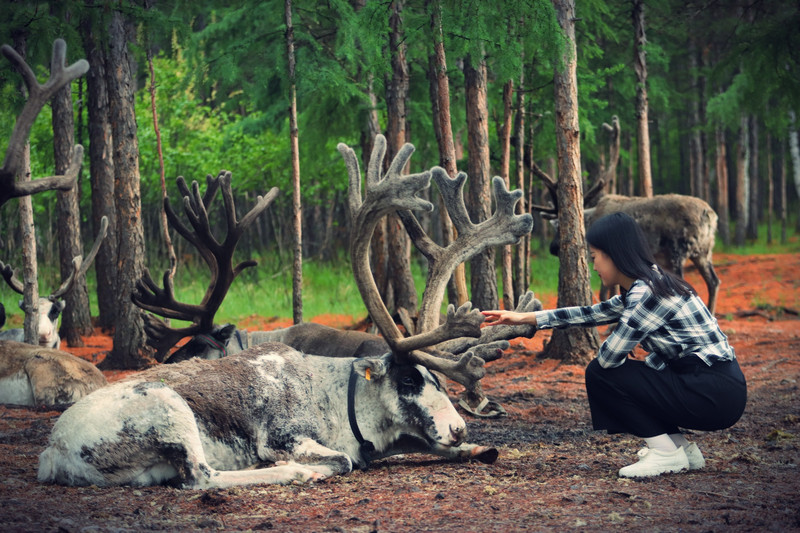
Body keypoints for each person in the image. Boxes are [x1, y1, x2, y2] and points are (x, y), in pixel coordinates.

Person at [481, 212, 746, 478]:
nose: (593, 265)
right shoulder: (650, 283)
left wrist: (624, 344)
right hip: (714, 386)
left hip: (714, 394)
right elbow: (591, 313)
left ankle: (666, 454)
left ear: (614, 254)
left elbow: (608, 359)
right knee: (634, 374)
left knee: (600, 374)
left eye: (595, 256)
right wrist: (525, 318)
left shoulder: (647, 294)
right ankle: (680, 449)